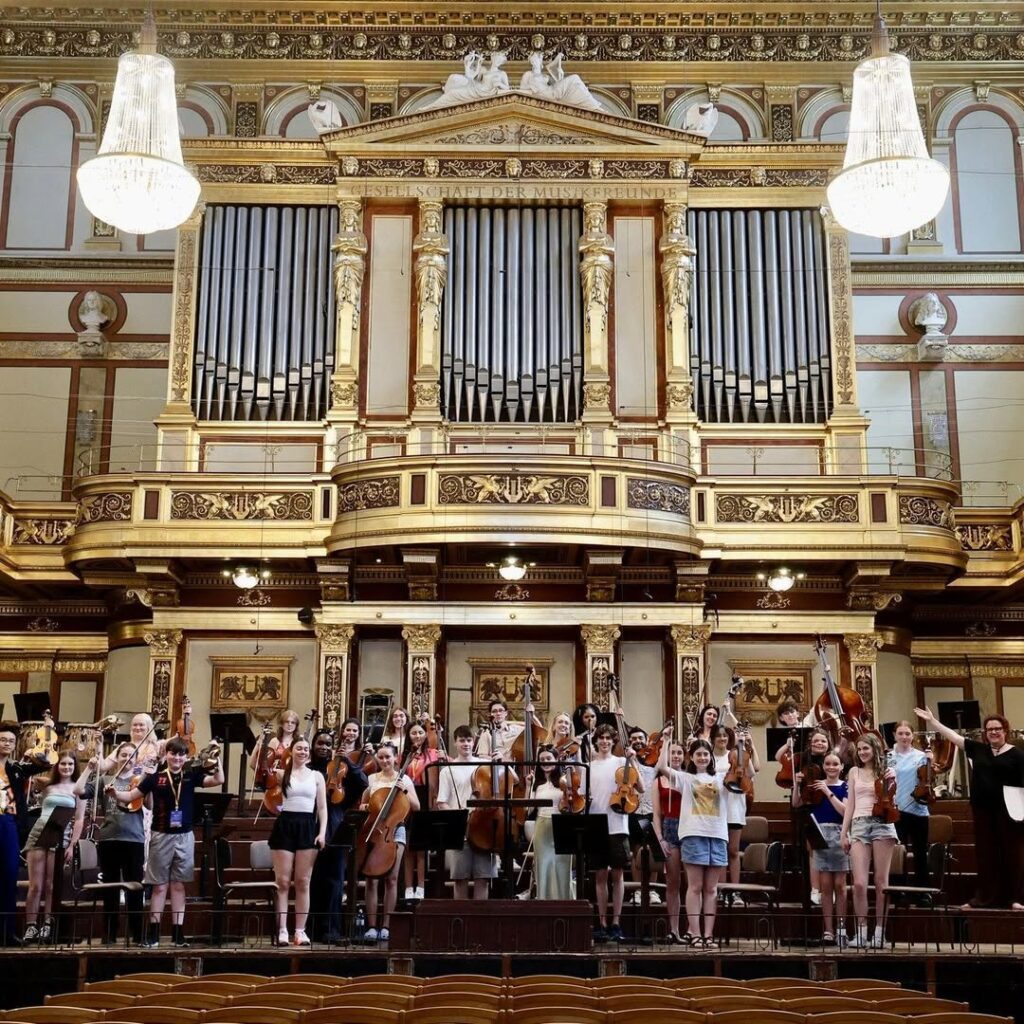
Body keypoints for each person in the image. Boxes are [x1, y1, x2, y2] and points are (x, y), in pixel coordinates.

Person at [110, 736, 224, 947]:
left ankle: (178, 934)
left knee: (179, 886)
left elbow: (218, 780)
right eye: (173, 753)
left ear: (186, 756)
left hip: (185, 836)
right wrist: (115, 793)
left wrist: (218, 758)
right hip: (161, 835)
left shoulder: (191, 775)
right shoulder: (155, 778)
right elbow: (132, 796)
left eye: (181, 754)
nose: (177, 758)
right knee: (160, 887)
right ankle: (154, 934)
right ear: (167, 755)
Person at [915, 706, 1024, 910]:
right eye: (989, 729)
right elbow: (954, 738)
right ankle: (985, 898)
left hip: (1010, 810)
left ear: (1005, 730)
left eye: (997, 728)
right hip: (983, 810)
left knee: (1013, 855)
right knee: (986, 855)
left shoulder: (1017, 755)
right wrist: (933, 722)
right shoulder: (979, 749)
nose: (993, 732)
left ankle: (1016, 899)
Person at [657, 732, 728, 948]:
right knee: (695, 887)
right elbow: (661, 766)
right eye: (698, 754)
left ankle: (708, 934)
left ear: (711, 757)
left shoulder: (721, 777)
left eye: (706, 754)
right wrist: (666, 741)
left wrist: (745, 742)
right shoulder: (686, 779)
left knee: (711, 889)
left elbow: (750, 771)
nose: (702, 758)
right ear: (692, 757)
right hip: (693, 835)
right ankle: (695, 934)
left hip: (717, 835)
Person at [75, 743, 146, 945]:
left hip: (134, 840)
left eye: (131, 756)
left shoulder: (140, 781)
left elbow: (148, 805)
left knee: (135, 889)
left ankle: (137, 934)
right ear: (117, 757)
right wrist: (89, 768)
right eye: (123, 755)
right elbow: (79, 790)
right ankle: (109, 933)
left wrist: (145, 788)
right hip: (109, 840)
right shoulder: (106, 779)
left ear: (136, 759)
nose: (127, 759)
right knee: (110, 889)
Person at [309, 722, 368, 943]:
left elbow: (362, 783)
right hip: (311, 823)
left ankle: (331, 930)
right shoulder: (308, 769)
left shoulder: (340, 767)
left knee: (334, 880)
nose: (324, 747)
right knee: (313, 880)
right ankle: (311, 928)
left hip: (335, 824)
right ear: (313, 745)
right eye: (320, 743)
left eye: (328, 744)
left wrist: (347, 761)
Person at [267, 736, 327, 946]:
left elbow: (322, 808)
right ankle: (282, 929)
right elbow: (261, 771)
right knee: (282, 882)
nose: (303, 751)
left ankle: (300, 931)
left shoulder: (317, 776)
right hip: (285, 825)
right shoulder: (282, 773)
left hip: (307, 826)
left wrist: (322, 832)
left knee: (303, 882)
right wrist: (263, 744)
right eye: (298, 748)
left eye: (305, 749)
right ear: (291, 751)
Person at [840, 733, 898, 948]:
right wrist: (843, 833)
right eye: (860, 749)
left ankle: (880, 933)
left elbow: (893, 800)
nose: (863, 752)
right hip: (859, 824)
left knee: (881, 883)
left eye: (866, 748)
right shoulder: (854, 772)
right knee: (859, 883)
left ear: (875, 749)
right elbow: (850, 805)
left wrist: (892, 779)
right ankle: (861, 932)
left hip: (882, 822)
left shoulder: (887, 771)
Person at [22, 752, 85, 944]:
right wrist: (36, 756)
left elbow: (80, 819)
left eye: (70, 764)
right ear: (57, 766)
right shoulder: (47, 785)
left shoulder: (78, 788)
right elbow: (30, 772)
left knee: (51, 886)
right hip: (39, 831)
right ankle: (30, 926)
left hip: (61, 835)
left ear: (75, 767)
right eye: (63, 764)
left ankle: (48, 925)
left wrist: (73, 844)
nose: (66, 767)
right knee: (35, 886)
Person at [588, 723, 643, 942]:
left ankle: (616, 922)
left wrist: (633, 759)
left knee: (618, 874)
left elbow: (641, 788)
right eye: (600, 738)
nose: (604, 742)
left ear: (613, 741)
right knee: (600, 875)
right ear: (596, 742)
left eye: (608, 739)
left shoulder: (622, 762)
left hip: (619, 823)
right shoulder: (589, 766)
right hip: (597, 822)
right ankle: (601, 922)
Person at [359, 743, 419, 942]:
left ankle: (387, 925)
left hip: (396, 830)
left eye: (388, 757)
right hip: (375, 829)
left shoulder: (404, 779)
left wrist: (405, 792)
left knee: (392, 878)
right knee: (371, 878)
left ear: (396, 758)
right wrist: (367, 806)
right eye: (381, 757)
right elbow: (363, 804)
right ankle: (371, 925)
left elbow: (416, 806)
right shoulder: (372, 779)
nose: (384, 761)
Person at [436, 725, 501, 900]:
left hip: (484, 827)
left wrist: (500, 761)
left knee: (483, 879)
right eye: (462, 740)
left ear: (474, 742)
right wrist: (459, 818)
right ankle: (461, 921)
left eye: (469, 740)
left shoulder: (485, 765)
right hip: (461, 830)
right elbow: (442, 802)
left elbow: (513, 780)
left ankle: (479, 923)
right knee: (460, 879)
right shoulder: (447, 770)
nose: (466, 744)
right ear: (455, 743)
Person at [0, 722, 49, 946]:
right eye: (2, 739)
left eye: (11, 740)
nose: (6, 743)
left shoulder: (16, 768)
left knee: (9, 877)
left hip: (8, 823)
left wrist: (46, 733)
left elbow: (47, 761)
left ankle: (7, 934)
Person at [794, 749, 849, 945]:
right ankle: (828, 930)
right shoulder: (815, 784)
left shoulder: (845, 786)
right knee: (826, 886)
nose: (831, 767)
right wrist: (797, 785)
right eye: (828, 764)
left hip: (839, 833)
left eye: (835, 764)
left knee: (840, 886)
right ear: (823, 766)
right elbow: (797, 803)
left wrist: (828, 792)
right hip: (820, 834)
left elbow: (845, 812)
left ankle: (841, 928)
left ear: (842, 767)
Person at [710, 723, 759, 897]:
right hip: (717, 806)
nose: (722, 739)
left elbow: (751, 774)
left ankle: (736, 891)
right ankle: (722, 889)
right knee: (720, 850)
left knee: (733, 850)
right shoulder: (709, 758)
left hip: (735, 806)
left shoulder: (738, 754)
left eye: (725, 736)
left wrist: (744, 746)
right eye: (718, 736)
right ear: (713, 738)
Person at [652, 740, 686, 942]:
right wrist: (660, 838)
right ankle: (674, 929)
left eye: (679, 753)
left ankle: (693, 929)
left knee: (693, 885)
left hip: (689, 827)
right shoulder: (658, 782)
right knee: (673, 882)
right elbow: (656, 814)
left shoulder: (688, 778)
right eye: (672, 752)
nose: (676, 756)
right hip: (669, 828)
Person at [891, 721, 931, 888]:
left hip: (918, 809)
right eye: (900, 733)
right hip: (896, 810)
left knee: (920, 853)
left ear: (912, 736)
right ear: (894, 735)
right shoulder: (888, 756)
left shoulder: (921, 756)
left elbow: (928, 780)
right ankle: (897, 891)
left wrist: (930, 762)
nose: (904, 737)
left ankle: (922, 891)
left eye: (907, 733)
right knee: (897, 853)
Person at [529, 744, 572, 899]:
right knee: (543, 863)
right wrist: (528, 785)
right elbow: (529, 809)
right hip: (542, 824)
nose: (545, 762)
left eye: (549, 758)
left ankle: (563, 899)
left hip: (561, 824)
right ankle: (544, 899)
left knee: (562, 863)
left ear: (556, 760)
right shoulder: (537, 783)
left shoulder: (564, 780)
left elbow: (571, 803)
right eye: (542, 759)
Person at [403, 719, 440, 901]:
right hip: (408, 798)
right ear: (408, 736)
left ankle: (421, 886)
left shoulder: (433, 753)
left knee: (421, 847)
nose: (417, 736)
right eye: (413, 733)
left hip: (426, 798)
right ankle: (408, 887)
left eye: (420, 732)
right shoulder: (404, 756)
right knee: (409, 846)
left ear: (425, 735)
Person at [627, 725, 661, 900]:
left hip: (651, 811)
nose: (637, 741)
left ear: (647, 740)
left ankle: (653, 890)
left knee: (654, 851)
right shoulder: (626, 760)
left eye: (640, 738)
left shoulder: (655, 760)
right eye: (633, 739)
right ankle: (639, 890)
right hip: (634, 810)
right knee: (636, 851)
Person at [248, 709, 300, 774]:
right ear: (282, 724)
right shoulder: (274, 741)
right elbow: (265, 763)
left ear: (296, 725)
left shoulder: (298, 742)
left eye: (293, 722)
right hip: (276, 776)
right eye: (287, 722)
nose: (290, 724)